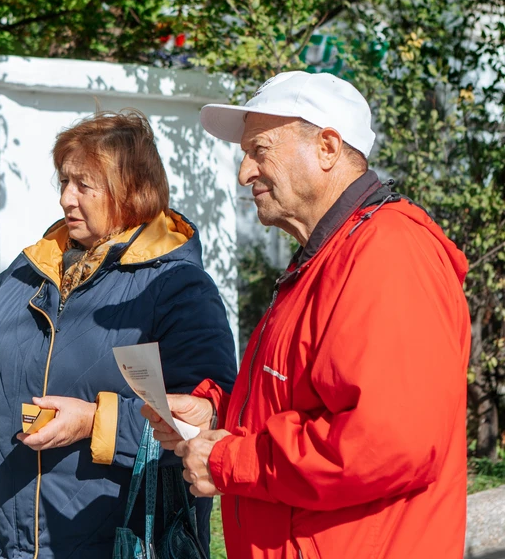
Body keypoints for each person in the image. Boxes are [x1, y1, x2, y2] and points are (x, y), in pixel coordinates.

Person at [0, 109, 237, 558]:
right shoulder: (39, 266)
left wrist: (94, 422)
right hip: (10, 541)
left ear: (133, 190)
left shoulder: (176, 286)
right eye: (63, 181)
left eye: (84, 185)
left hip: (115, 543)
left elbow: (204, 419)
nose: (65, 198)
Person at [145, 71, 471, 558]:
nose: (244, 174)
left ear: (327, 148)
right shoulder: (330, 257)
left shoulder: (387, 254)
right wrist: (217, 414)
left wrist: (232, 461)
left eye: (260, 150)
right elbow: (305, 400)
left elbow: (385, 444)